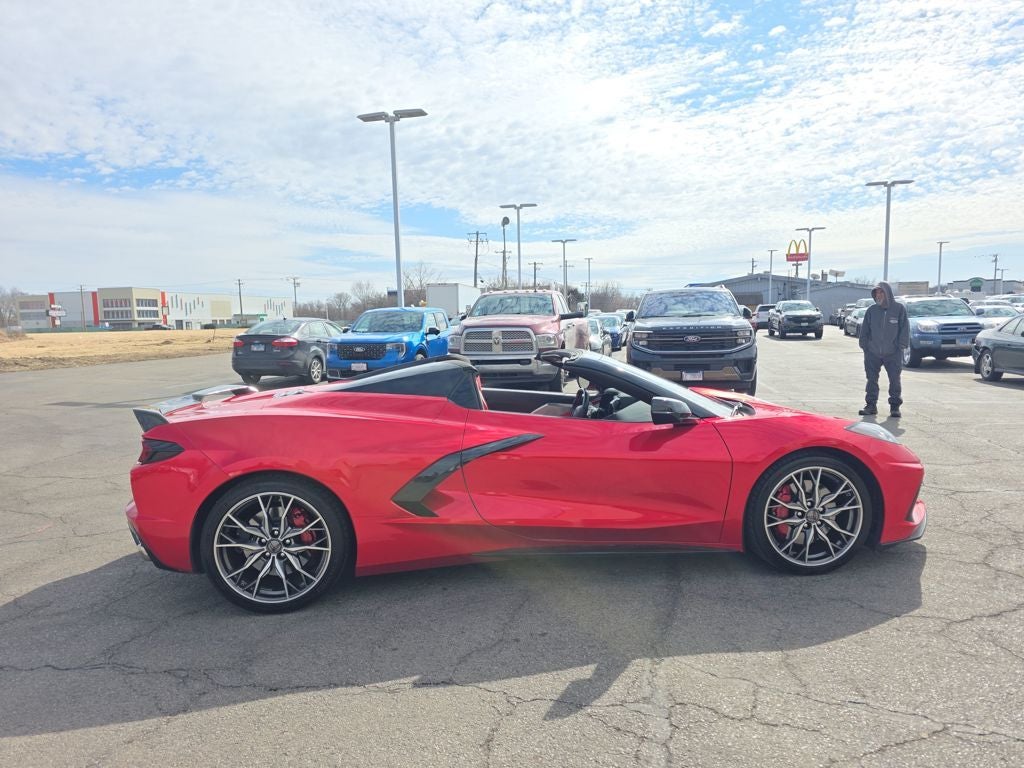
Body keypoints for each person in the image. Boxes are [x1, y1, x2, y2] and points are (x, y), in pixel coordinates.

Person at [858, 281, 910, 418]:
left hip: (893, 353)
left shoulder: (899, 309)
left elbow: (905, 329)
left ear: (888, 293)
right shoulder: (871, 311)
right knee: (871, 380)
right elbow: (865, 330)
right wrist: (865, 346)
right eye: (876, 293)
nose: (879, 295)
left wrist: (900, 346)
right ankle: (871, 406)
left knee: (894, 380)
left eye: (881, 292)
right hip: (872, 353)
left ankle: (894, 407)